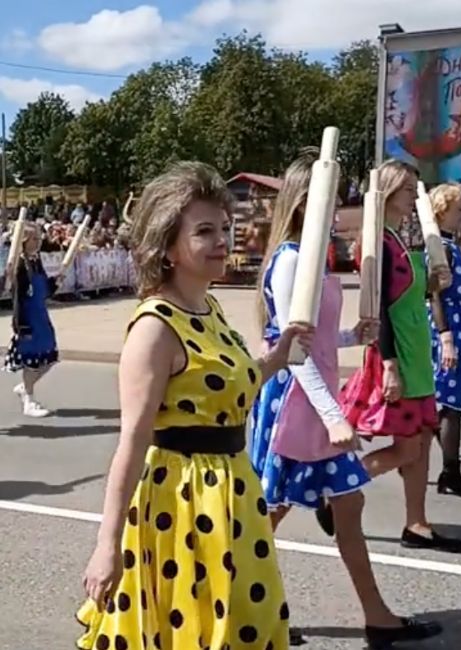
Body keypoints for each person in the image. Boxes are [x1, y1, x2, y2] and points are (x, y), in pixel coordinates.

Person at [77, 162, 313, 650]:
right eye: (205, 231)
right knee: (189, 629)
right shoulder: (154, 327)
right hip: (180, 503)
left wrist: (279, 355)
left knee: (243, 622)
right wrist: (107, 547)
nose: (222, 240)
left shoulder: (209, 307)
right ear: (166, 246)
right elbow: (132, 444)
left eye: (224, 228)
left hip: (234, 493)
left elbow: (230, 390)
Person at [249, 150, 442, 648]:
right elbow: (294, 353)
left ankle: (377, 616)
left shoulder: (314, 258)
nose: (335, 209)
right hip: (295, 405)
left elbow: (319, 339)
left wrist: (355, 335)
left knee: (348, 505)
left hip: (318, 402)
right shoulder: (291, 261)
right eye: (325, 200)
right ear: (300, 203)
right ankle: (241, 607)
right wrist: (335, 416)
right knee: (263, 515)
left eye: (335, 199)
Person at [340, 160, 461, 553]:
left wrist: (431, 283)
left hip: (417, 347)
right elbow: (379, 309)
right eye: (409, 189)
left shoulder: (396, 236)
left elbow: (409, 295)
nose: (415, 196)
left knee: (422, 443)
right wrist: (389, 364)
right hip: (398, 353)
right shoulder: (375, 241)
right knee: (407, 446)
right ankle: (336, 488)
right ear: (389, 191)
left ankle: (417, 523)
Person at [426, 183, 461, 498]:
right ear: (442, 210)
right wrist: (446, 337)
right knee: (451, 404)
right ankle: (451, 472)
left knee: (451, 403)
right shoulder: (440, 246)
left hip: (457, 324)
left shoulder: (449, 244)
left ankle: (449, 467)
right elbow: (435, 294)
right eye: (459, 209)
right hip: (448, 326)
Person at [4, 223, 62, 417]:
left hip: (41, 316)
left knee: (50, 357)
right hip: (28, 319)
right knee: (32, 362)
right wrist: (22, 326)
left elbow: (43, 290)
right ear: (23, 241)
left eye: (39, 238)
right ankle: (29, 400)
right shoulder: (19, 265)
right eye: (34, 239)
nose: (38, 242)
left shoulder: (36, 261)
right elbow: (17, 299)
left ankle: (25, 387)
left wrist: (54, 283)